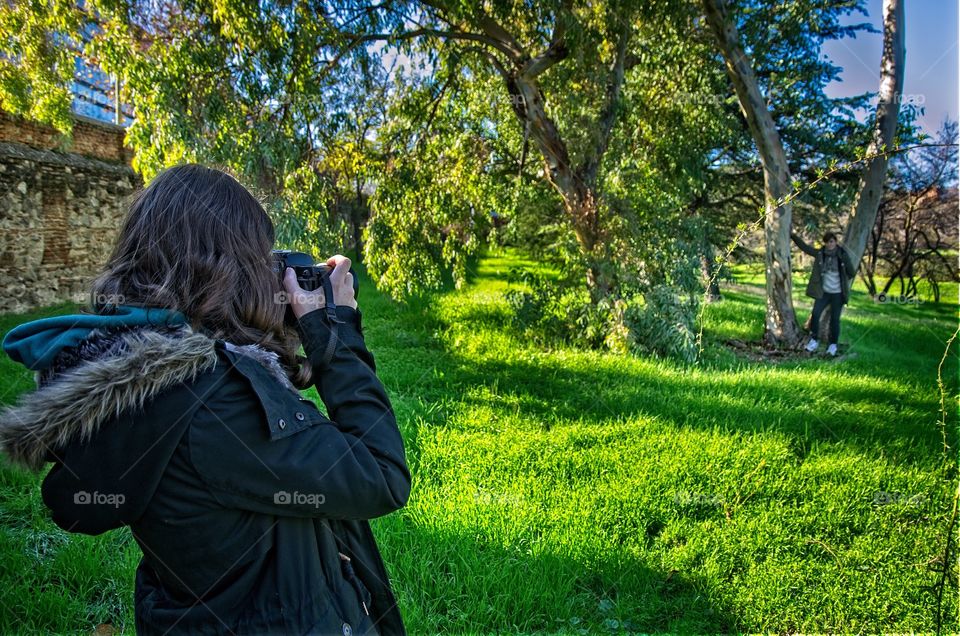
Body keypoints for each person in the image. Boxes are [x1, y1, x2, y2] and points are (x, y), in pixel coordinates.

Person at [0, 164, 411, 635]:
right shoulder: (214, 403)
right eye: (259, 257)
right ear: (225, 268)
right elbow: (381, 474)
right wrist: (334, 328)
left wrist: (273, 324)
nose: (269, 272)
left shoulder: (150, 382)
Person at [791, 230, 855, 356]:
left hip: (837, 294)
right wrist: (793, 236)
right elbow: (806, 248)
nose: (829, 244)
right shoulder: (821, 254)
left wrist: (842, 279)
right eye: (827, 242)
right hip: (824, 293)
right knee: (815, 314)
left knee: (835, 320)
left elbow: (851, 272)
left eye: (831, 241)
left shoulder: (842, 254)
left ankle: (832, 345)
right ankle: (814, 340)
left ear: (835, 242)